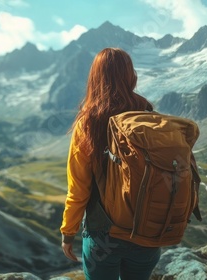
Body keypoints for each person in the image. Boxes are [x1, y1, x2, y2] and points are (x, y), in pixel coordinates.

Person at [60, 48, 161, 280]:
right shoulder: (149, 115)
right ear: (130, 76)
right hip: (146, 231)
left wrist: (68, 232)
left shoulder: (88, 123)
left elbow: (78, 189)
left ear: (95, 77)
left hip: (103, 235)